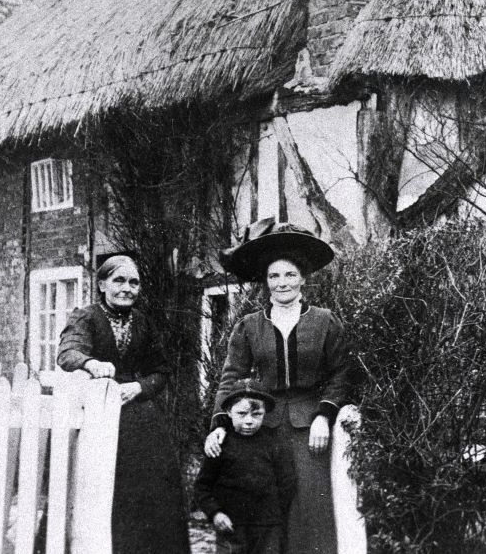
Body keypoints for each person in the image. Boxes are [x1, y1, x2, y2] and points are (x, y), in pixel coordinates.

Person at [206, 219, 358, 554]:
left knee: (309, 510)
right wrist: (219, 424)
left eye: (289, 274)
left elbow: (341, 372)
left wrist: (323, 416)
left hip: (309, 431)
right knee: (260, 510)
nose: (282, 283)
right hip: (262, 429)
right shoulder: (248, 327)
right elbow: (231, 377)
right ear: (265, 281)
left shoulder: (325, 321)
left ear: (303, 277)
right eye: (274, 276)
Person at [57, 252, 190, 554]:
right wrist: (91, 363)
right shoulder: (86, 317)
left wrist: (139, 387)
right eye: (119, 280)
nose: (127, 288)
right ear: (102, 284)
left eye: (134, 282)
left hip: (139, 419)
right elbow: (67, 353)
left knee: (154, 490)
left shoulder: (143, 323)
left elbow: (162, 370)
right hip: (98, 417)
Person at [195, 378, 297, 554]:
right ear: (228, 411)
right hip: (230, 527)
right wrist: (215, 513)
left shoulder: (274, 443)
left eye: (256, 414)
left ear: (265, 413)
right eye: (242, 414)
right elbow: (202, 487)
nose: (249, 421)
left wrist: (273, 514)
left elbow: (287, 482)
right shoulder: (220, 444)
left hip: (267, 528)